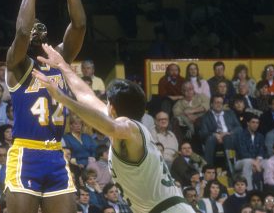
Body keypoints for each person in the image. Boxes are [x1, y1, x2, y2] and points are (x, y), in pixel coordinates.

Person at [32, 44, 195, 213]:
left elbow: (112, 127)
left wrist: (62, 98)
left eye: (107, 103)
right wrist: (62, 66)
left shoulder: (129, 127)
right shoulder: (127, 126)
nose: (104, 105)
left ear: (113, 108)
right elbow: (87, 97)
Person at [5, 0, 86, 213]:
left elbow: (79, 24)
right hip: (26, 152)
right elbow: (22, 31)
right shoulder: (17, 63)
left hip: (55, 153)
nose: (36, 28)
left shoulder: (60, 58)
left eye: (41, 26)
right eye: (34, 25)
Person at [200, 95, 242, 165]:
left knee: (227, 138)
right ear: (211, 104)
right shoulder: (205, 116)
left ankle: (231, 166)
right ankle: (208, 167)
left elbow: (239, 128)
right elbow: (203, 133)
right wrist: (215, 135)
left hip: (229, 135)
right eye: (216, 102)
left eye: (221, 103)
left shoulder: (230, 113)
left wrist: (228, 133)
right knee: (211, 139)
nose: (219, 105)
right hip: (214, 138)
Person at [234, 114, 266, 190]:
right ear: (248, 123)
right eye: (253, 122)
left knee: (267, 162)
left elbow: (262, 150)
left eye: (257, 123)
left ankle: (267, 189)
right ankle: (249, 190)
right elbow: (243, 153)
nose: (255, 125)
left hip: (256, 162)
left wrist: (257, 162)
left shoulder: (260, 136)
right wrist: (254, 163)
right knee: (248, 162)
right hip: (241, 161)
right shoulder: (240, 135)